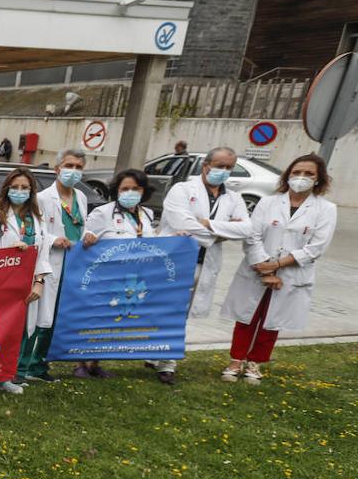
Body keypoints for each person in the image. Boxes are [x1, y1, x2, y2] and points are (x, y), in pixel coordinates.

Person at [220, 155, 336, 384]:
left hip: (291, 274)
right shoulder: (268, 202)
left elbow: (317, 247)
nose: (301, 178)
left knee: (272, 320)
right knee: (246, 317)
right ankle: (235, 360)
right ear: (288, 175)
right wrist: (265, 270)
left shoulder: (326, 209)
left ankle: (255, 363)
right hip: (257, 269)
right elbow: (252, 236)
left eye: (309, 174)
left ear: (318, 179)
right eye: (296, 172)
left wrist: (276, 266)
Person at [155, 146, 251, 383]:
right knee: (166, 311)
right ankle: (161, 357)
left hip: (203, 264)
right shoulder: (182, 189)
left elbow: (247, 229)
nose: (224, 171)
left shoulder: (234, 197)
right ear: (205, 166)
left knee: (182, 314)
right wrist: (221, 231)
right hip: (175, 262)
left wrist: (206, 224)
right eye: (220, 166)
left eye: (229, 167)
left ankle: (166, 360)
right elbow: (179, 221)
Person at [80, 169, 158, 380]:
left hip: (132, 278)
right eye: (125, 189)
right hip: (105, 277)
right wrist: (87, 237)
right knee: (94, 319)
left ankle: (96, 363)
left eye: (135, 189)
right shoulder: (103, 213)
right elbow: (85, 237)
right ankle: (81, 363)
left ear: (143, 191)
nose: (130, 192)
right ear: (117, 190)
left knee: (110, 321)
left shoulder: (147, 215)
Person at [0, 168, 51, 394]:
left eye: (25, 188)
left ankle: (16, 373)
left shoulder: (37, 218)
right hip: (4, 282)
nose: (20, 191)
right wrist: (11, 251)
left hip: (30, 281)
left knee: (25, 328)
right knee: (3, 329)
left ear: (31, 191)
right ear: (7, 189)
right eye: (15, 187)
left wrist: (39, 281)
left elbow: (43, 252)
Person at [29, 149, 90, 382]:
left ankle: (42, 363)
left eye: (78, 167)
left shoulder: (81, 198)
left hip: (74, 265)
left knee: (59, 315)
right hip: (51, 263)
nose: (73, 171)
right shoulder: (43, 198)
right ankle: (30, 365)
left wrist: (89, 235)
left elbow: (83, 227)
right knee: (42, 315)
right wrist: (54, 239)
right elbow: (36, 231)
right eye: (69, 165)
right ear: (57, 169)